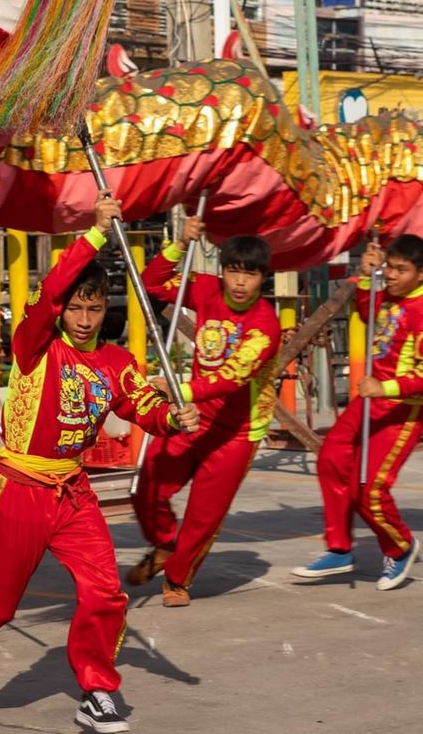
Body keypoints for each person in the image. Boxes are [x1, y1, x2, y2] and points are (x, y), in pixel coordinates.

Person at [0, 192, 199, 733]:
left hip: (73, 493)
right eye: (75, 307)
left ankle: (97, 688)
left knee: (105, 590)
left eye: (93, 307)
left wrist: (174, 417)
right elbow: (50, 289)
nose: (82, 317)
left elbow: (142, 407)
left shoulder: (117, 361)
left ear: (107, 308)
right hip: (22, 487)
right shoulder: (36, 343)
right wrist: (96, 232)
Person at [128, 218, 281, 608]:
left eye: (250, 274)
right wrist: (180, 243)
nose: (240, 282)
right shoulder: (206, 288)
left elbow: (232, 377)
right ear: (223, 270)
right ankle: (164, 545)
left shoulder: (265, 323)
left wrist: (177, 390)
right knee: (148, 486)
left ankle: (178, 579)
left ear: (264, 277)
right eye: (233, 271)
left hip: (236, 431)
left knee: (203, 514)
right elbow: (151, 284)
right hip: (193, 417)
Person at [292, 234, 423, 590]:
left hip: (403, 409)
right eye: (390, 267)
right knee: (331, 460)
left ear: (421, 274)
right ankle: (339, 548)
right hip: (369, 401)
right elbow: (367, 311)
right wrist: (366, 276)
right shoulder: (390, 296)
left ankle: (400, 547)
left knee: (370, 487)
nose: (392, 275)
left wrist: (386, 387)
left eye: (401, 270)